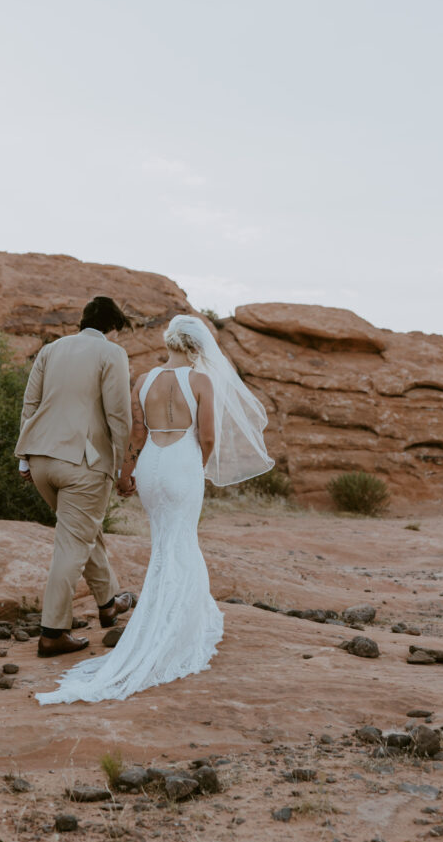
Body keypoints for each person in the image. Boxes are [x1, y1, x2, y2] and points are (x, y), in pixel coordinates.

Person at [35, 313, 274, 704]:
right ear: (196, 346)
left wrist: (127, 473)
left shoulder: (144, 380)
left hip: (150, 468)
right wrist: (197, 466)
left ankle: (157, 619)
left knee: (163, 543)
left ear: (169, 343)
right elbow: (209, 435)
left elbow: (137, 433)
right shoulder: (201, 381)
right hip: (182, 464)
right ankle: (177, 625)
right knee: (182, 542)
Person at [15, 296, 136, 658]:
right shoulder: (111, 354)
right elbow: (119, 415)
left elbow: (30, 404)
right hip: (82, 463)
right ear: (113, 328)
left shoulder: (51, 349)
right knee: (72, 542)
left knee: (81, 531)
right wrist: (122, 467)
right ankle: (53, 632)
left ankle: (109, 601)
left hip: (39, 460)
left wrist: (23, 458)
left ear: (83, 321)